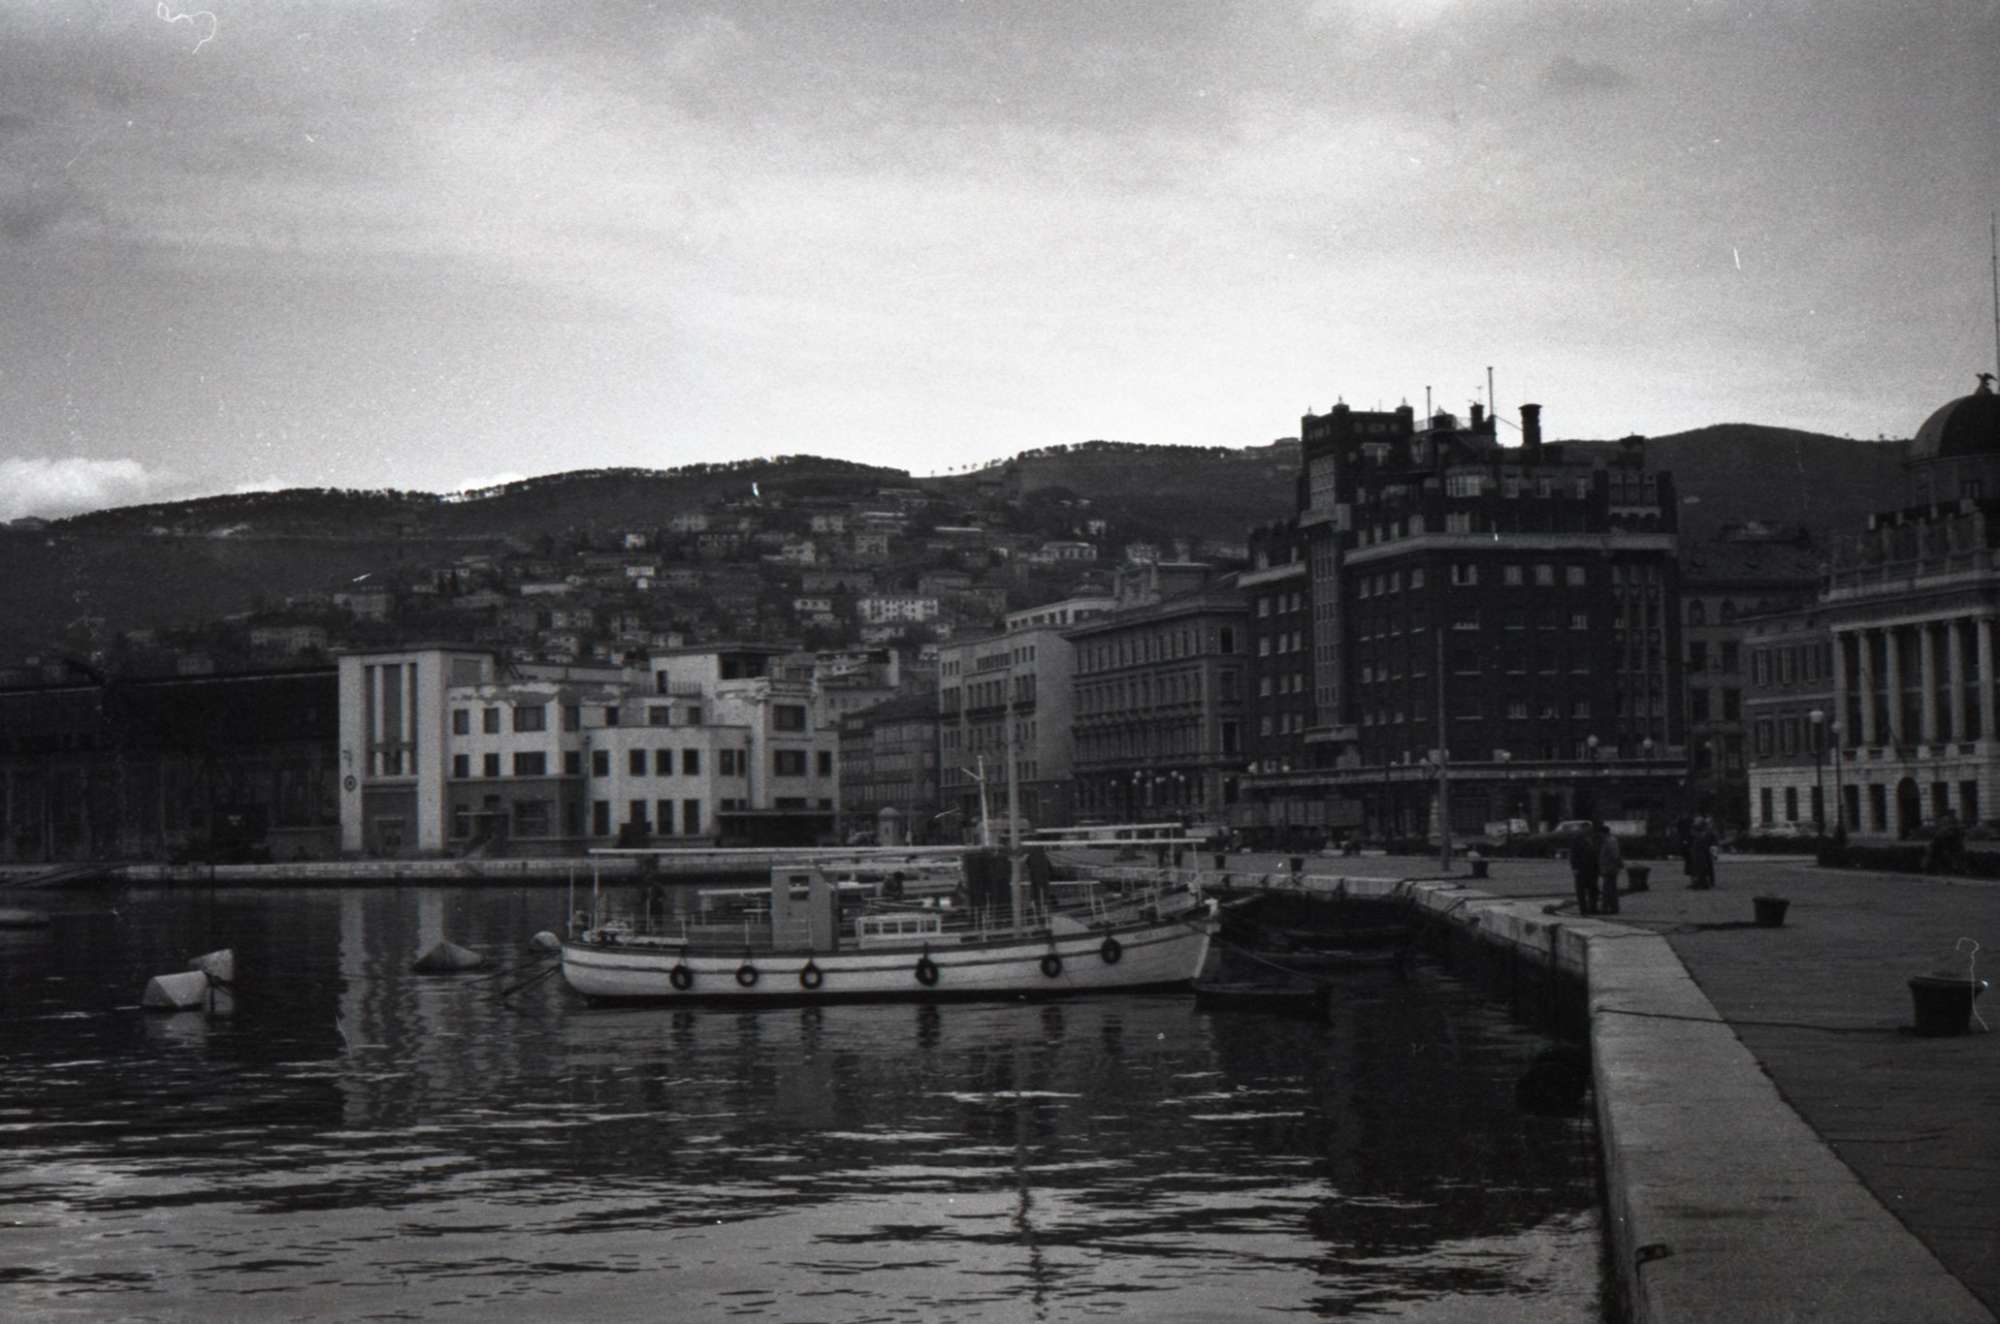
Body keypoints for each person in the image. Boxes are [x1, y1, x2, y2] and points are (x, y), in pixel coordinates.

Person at [1567, 823, 1600, 915]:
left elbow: (1596, 852)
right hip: (1581, 868)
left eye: (1590, 829)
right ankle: (1583, 909)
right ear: (1583, 828)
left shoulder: (1593, 838)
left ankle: (1593, 908)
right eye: (1588, 829)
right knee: (1581, 890)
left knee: (1593, 889)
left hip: (1592, 868)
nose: (1590, 830)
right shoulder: (1577, 838)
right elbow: (1573, 854)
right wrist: (1574, 867)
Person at [1597, 823, 1624, 915]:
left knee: (1608, 889)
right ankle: (1613, 907)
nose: (1600, 836)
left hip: (1609, 868)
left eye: (1600, 833)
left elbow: (1615, 855)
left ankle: (1606, 908)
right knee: (1611, 889)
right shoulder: (1610, 840)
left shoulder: (1610, 841)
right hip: (1609, 868)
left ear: (1603, 833)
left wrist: (1615, 865)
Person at [1689, 818, 1718, 889]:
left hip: (1702, 852)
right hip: (1701, 852)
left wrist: (1714, 853)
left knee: (1702, 868)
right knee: (1701, 868)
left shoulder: (1706, 833)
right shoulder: (1703, 832)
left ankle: (1702, 883)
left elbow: (1712, 844)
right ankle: (1702, 882)